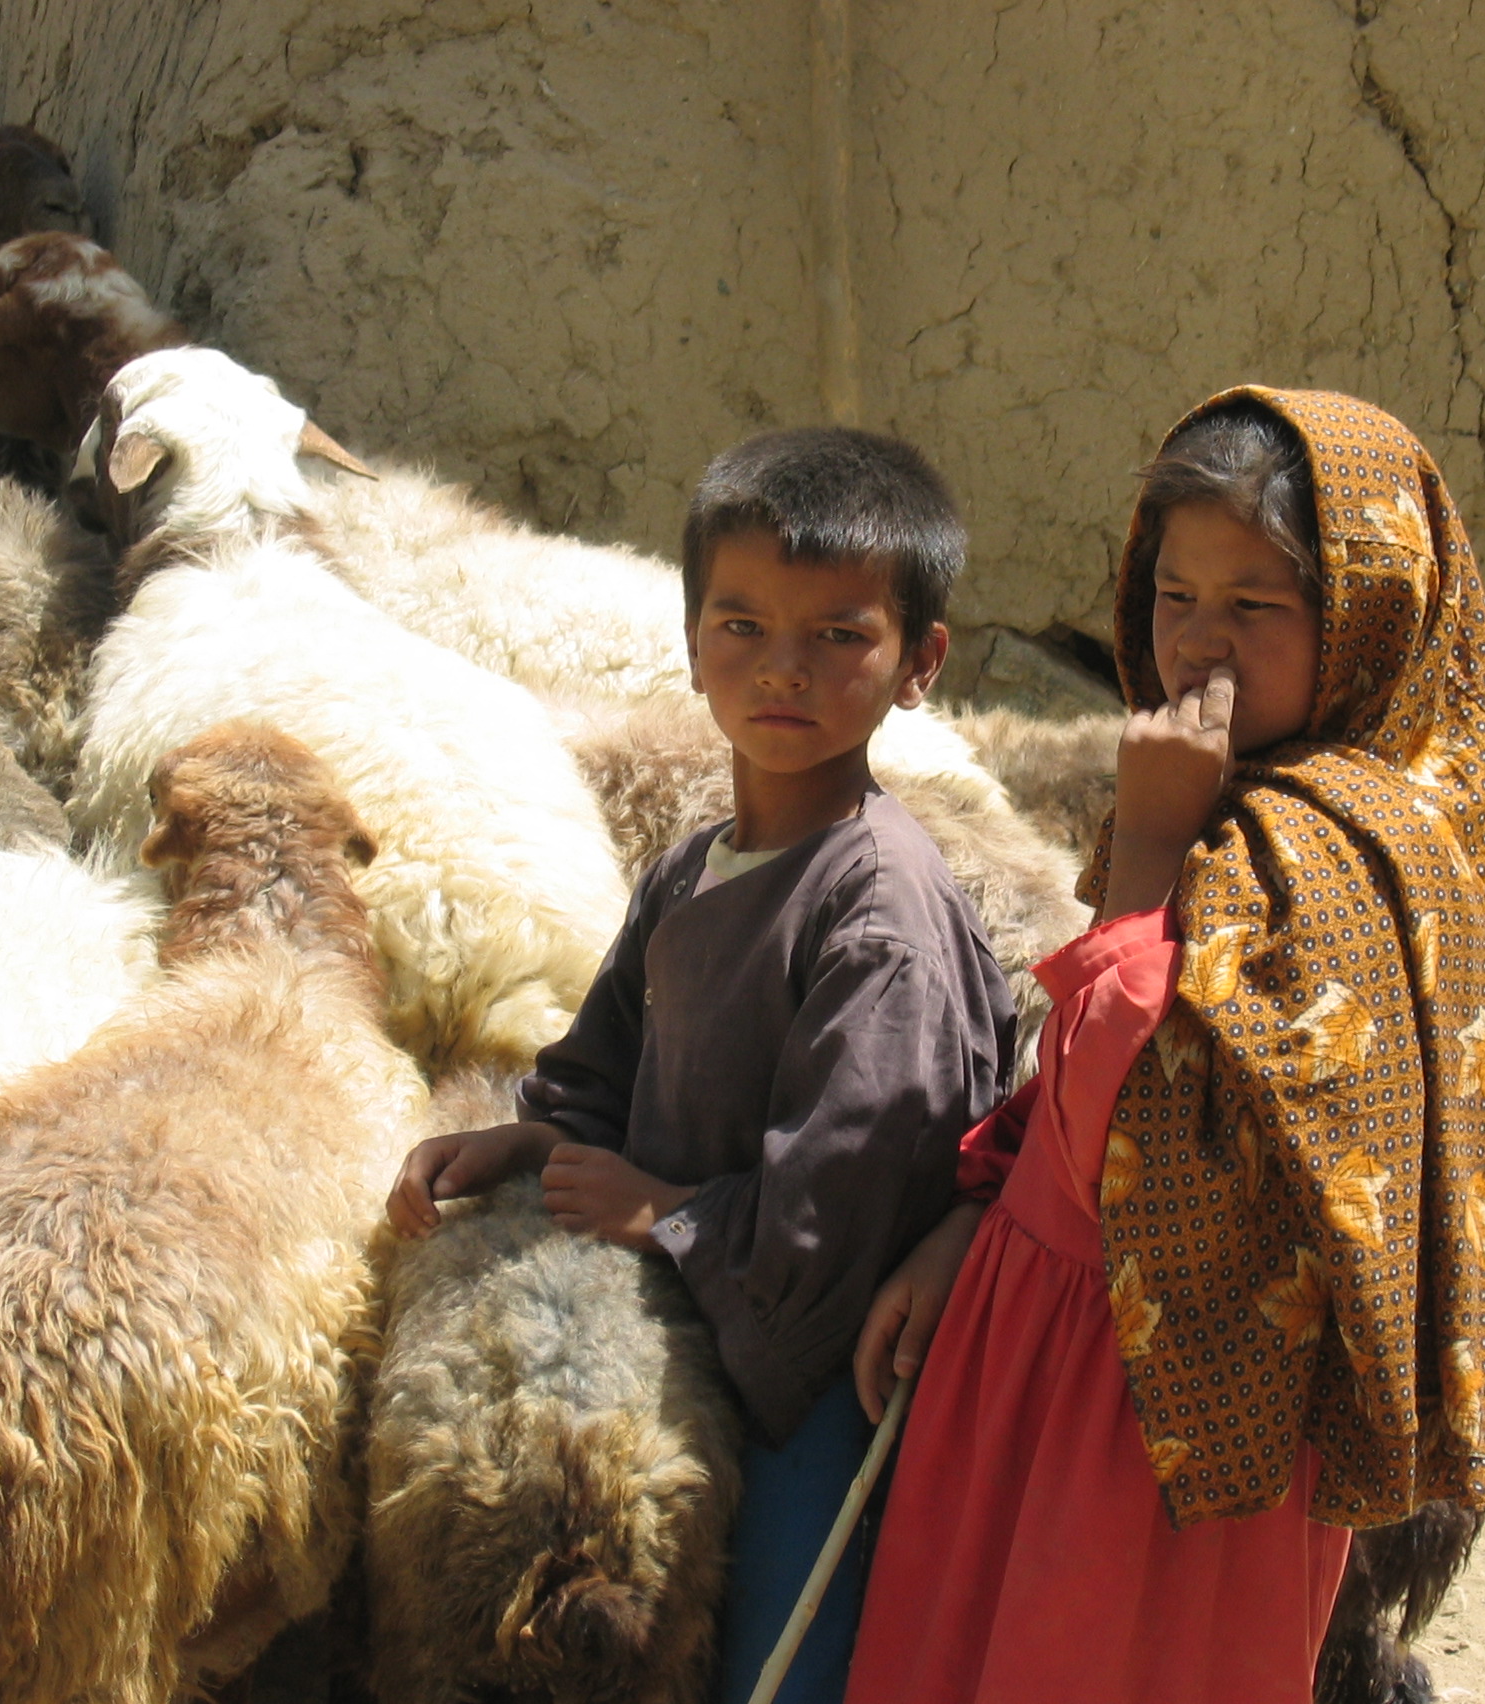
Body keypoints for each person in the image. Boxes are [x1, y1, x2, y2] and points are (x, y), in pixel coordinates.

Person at [842, 388, 1485, 1704]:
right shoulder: (1233, 794)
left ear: (1368, 614)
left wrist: (1149, 848)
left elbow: (1129, 1100)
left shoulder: (1341, 848)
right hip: (1044, 1329)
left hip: (1172, 1414)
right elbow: (1072, 1101)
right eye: (1173, 596)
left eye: (1257, 607)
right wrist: (975, 1217)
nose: (1201, 644)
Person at [388, 426, 1019, 1704]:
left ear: (920, 664)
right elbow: (604, 1063)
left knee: (775, 1668)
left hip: (818, 1393)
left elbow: (834, 1230)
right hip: (692, 1335)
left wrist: (662, 1214)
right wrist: (522, 1139)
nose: (782, 670)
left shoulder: (877, 915)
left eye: (839, 636)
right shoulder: (695, 866)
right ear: (688, 641)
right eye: (741, 625)